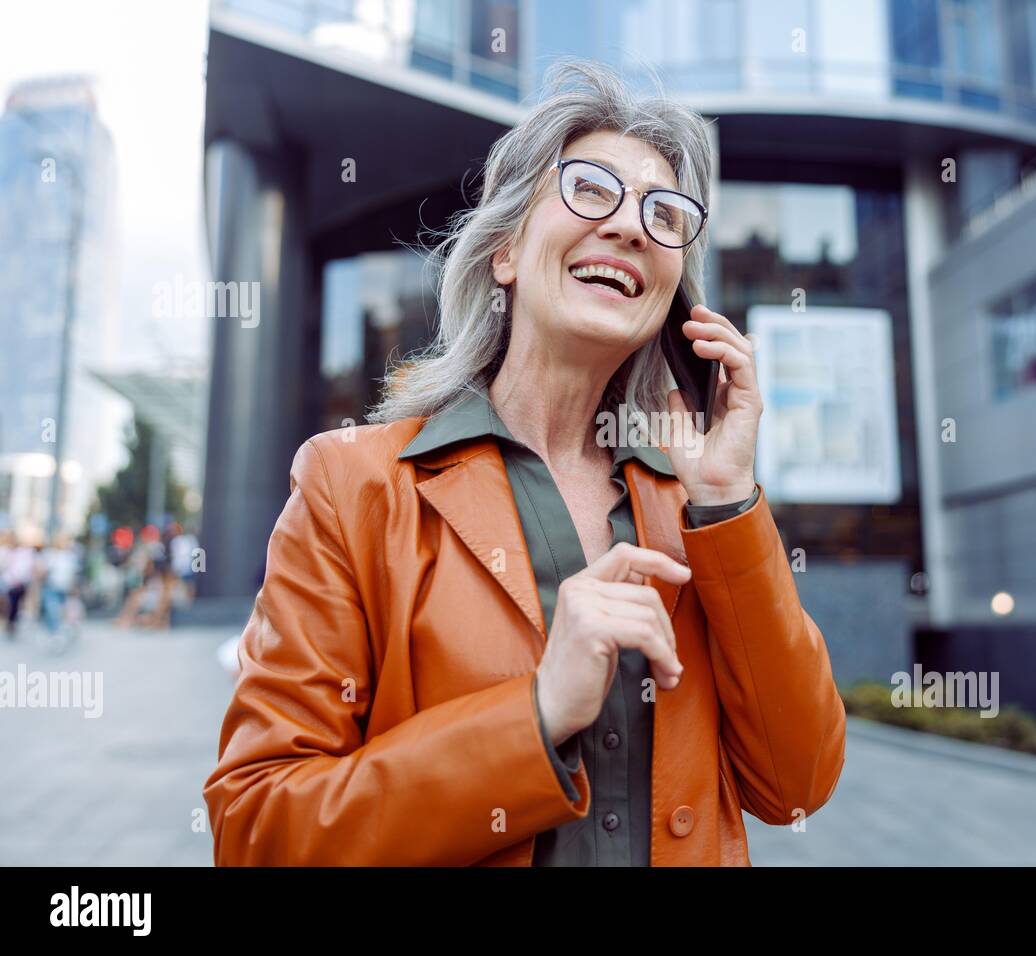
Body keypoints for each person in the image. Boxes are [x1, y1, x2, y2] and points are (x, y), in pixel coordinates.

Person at [204, 59, 846, 867]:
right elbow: (256, 830)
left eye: (665, 213)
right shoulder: (353, 486)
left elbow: (797, 785)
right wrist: (535, 715)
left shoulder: (699, 506)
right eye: (589, 189)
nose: (629, 226)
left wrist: (726, 505)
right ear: (505, 251)